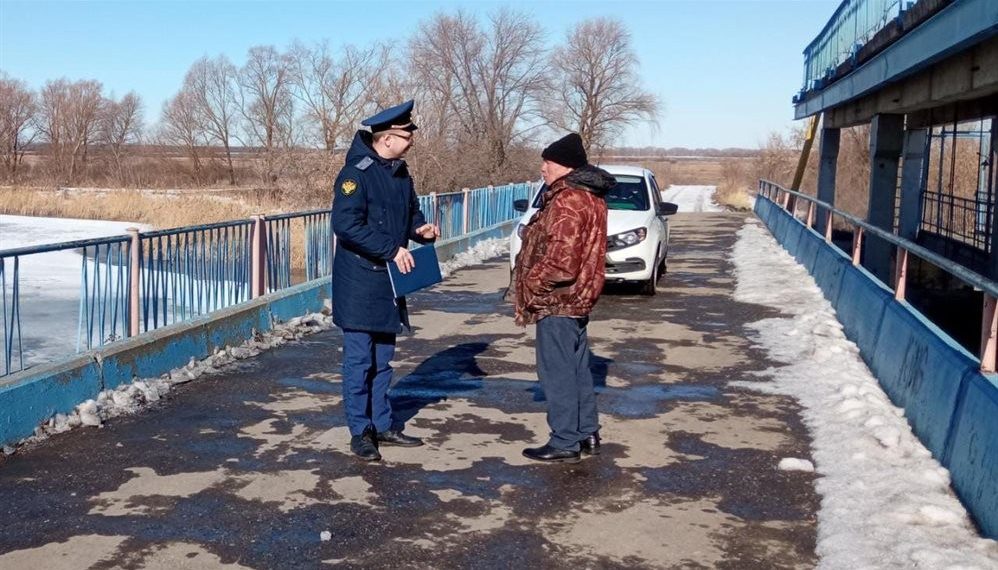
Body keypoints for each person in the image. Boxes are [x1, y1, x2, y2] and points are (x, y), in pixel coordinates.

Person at [331, 100, 440, 461]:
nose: (411, 142)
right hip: (360, 282)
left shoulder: (400, 174)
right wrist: (392, 250)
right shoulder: (355, 174)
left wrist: (421, 231)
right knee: (360, 361)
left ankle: (382, 424)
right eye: (408, 136)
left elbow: (410, 214)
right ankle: (360, 432)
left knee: (383, 360)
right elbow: (346, 226)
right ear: (389, 138)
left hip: (389, 284)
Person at [514, 132, 615, 464]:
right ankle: (586, 432)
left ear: (564, 166)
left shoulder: (567, 200)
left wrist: (531, 281)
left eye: (547, 162)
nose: (542, 168)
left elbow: (561, 263)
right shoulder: (590, 196)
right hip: (578, 299)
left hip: (559, 299)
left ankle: (564, 441)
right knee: (577, 369)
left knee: (556, 372)